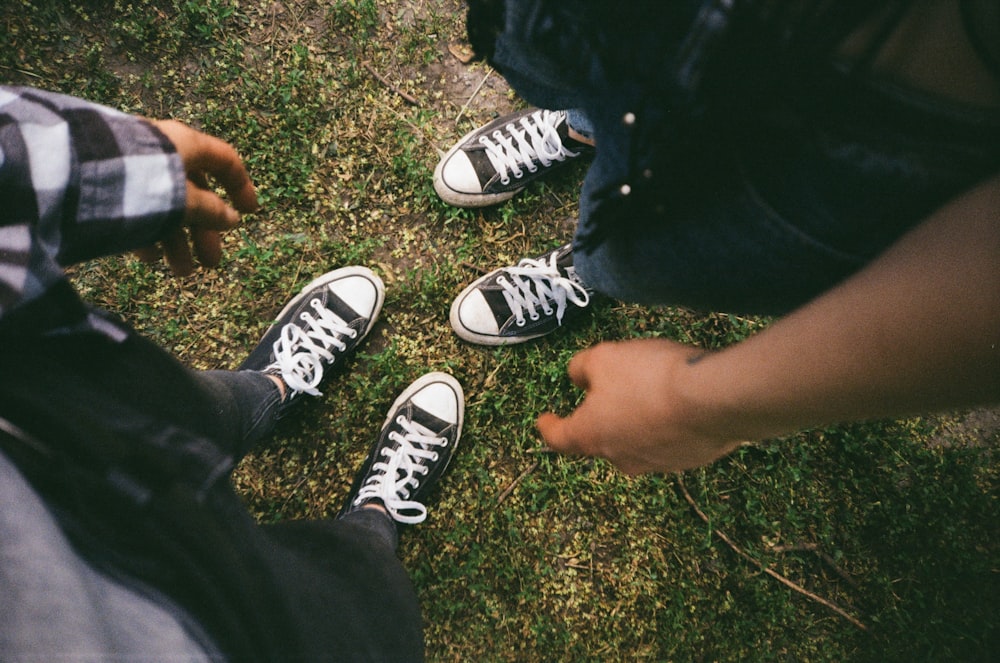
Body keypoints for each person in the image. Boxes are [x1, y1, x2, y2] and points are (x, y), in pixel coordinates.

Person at [0, 86, 464, 662]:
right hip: (216, 644)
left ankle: (272, 388)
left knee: (186, 412)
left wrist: (96, 167)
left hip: (46, 399)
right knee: (363, 596)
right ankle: (375, 516)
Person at [442, 0, 1000, 473]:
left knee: (634, 252)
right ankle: (586, 125)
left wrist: (687, 405)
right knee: (551, 64)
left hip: (868, 95)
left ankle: (585, 269)